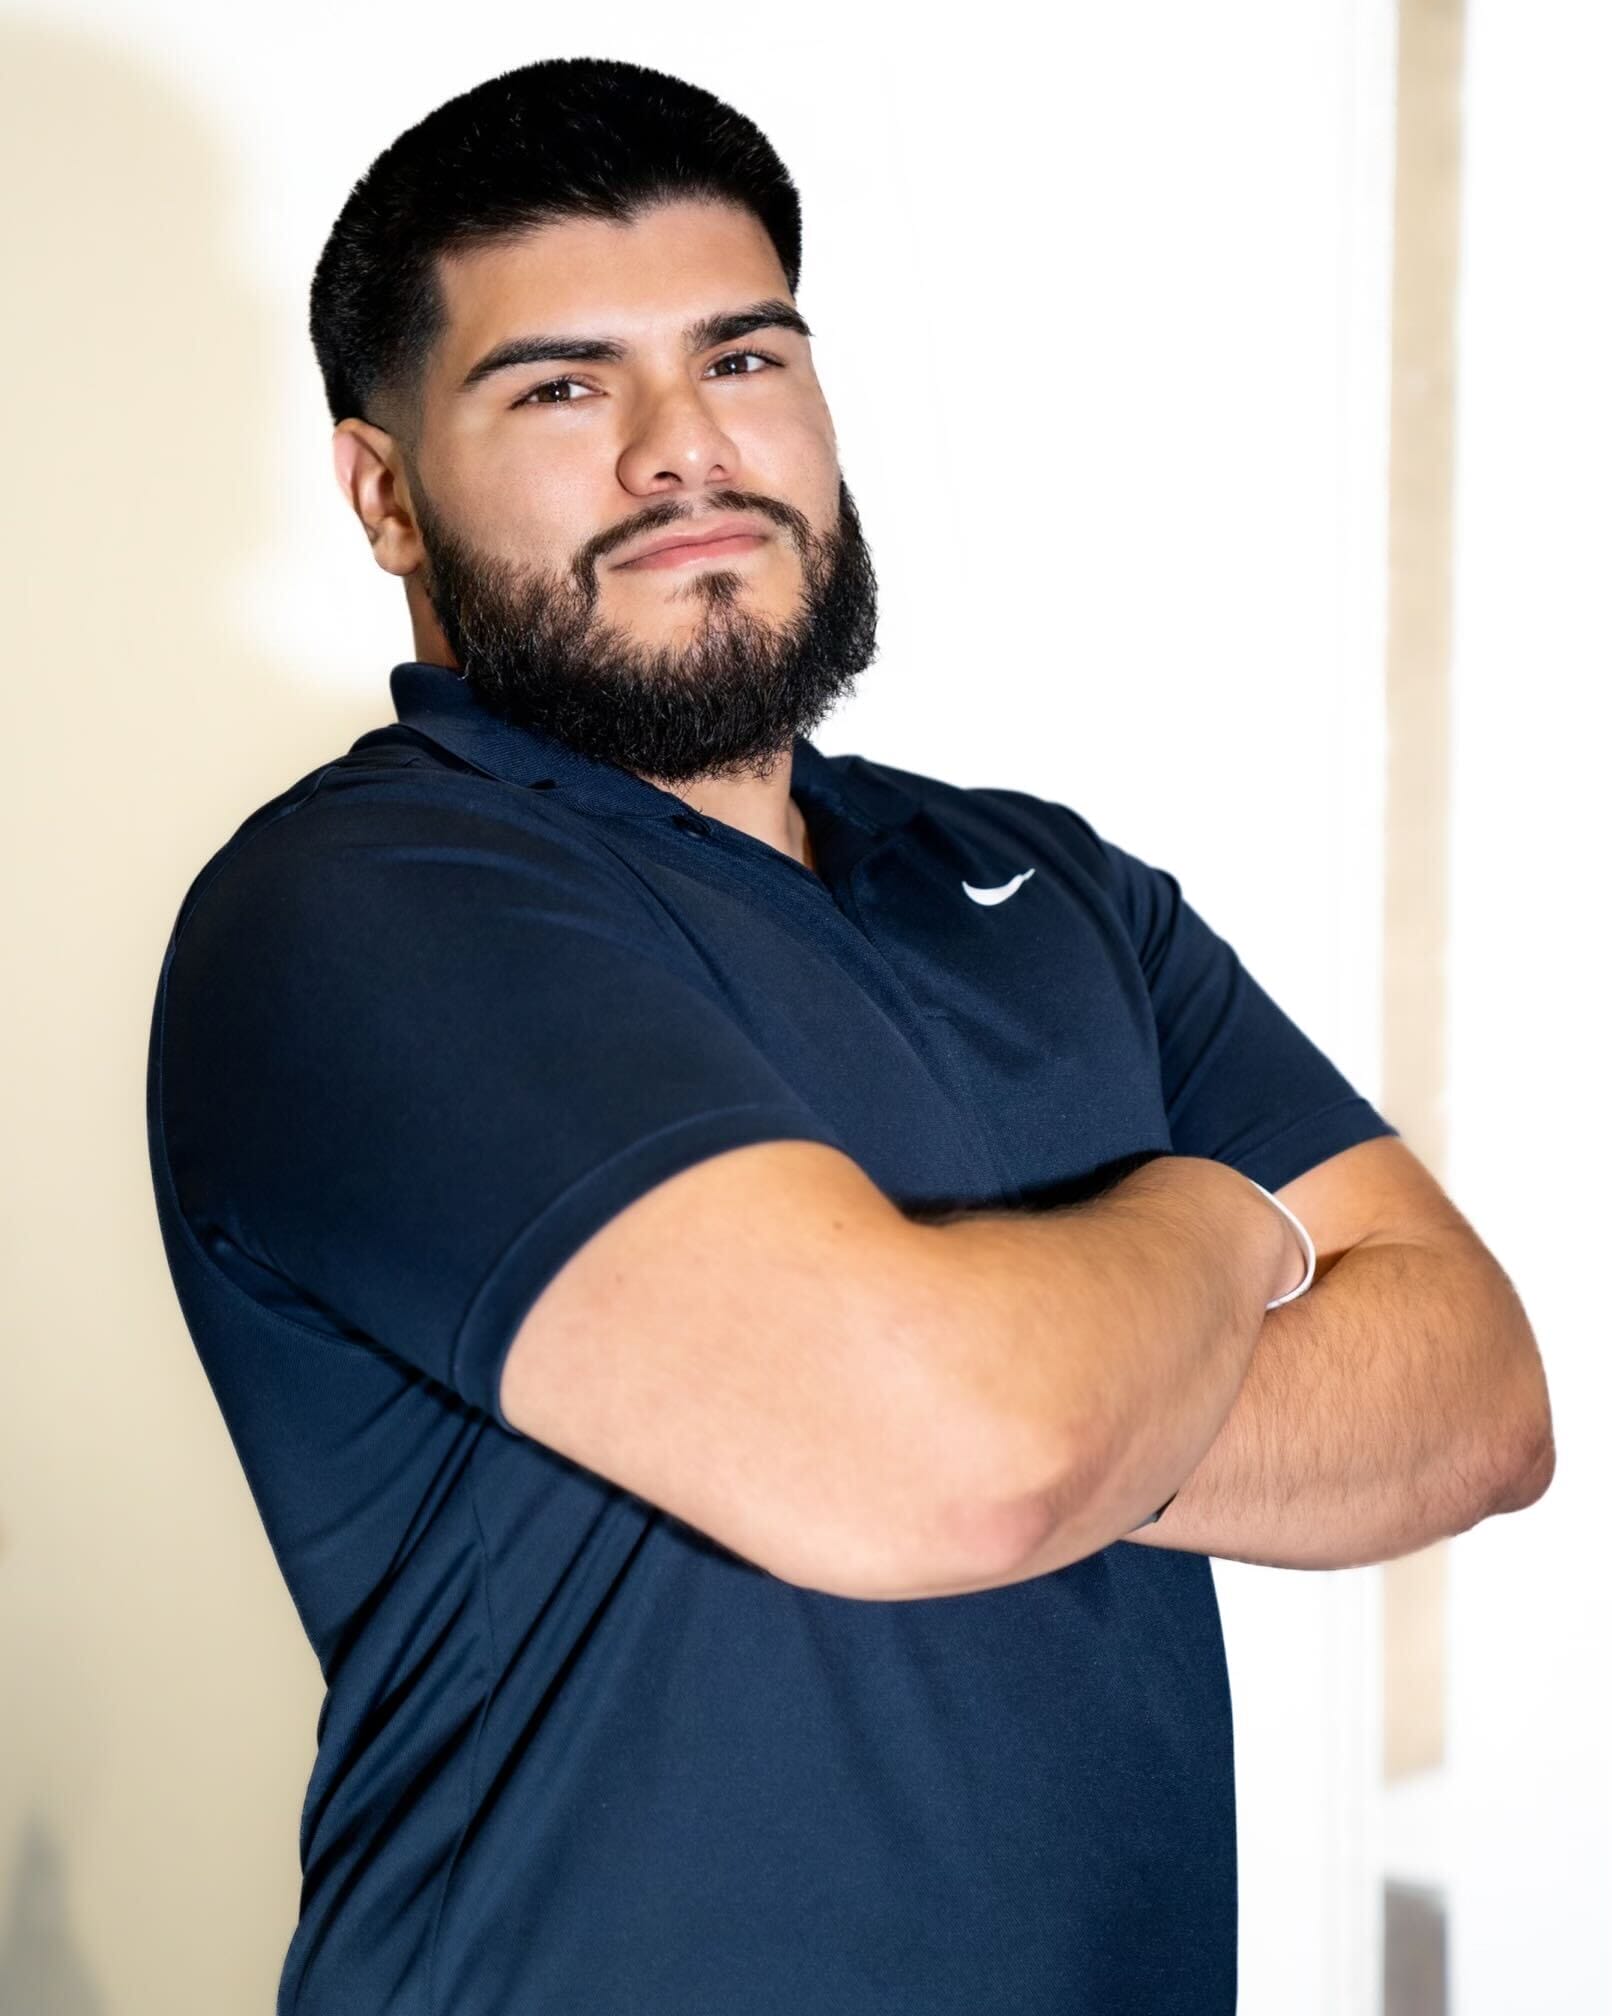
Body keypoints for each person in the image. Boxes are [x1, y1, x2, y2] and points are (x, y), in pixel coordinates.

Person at [144, 54, 1554, 2016]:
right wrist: (1224, 1229)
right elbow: (949, 1465)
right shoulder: (365, 908)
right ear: (383, 488)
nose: (678, 451)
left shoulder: (1045, 887)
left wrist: (1007, 1389)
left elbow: (1475, 1401)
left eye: (740, 358)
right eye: (560, 386)